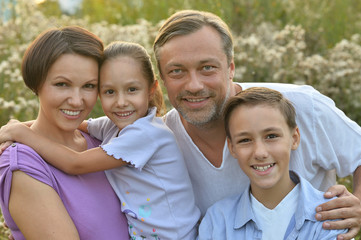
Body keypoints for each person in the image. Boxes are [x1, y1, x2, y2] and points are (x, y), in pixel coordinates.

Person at [153, 9, 361, 239]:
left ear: (231, 68)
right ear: (162, 79)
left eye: (207, 67)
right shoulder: (158, 141)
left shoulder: (299, 107)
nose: (193, 85)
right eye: (176, 71)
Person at [0, 41, 200, 240]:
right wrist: (19, 128)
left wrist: (22, 133)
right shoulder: (116, 126)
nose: (121, 102)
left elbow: (75, 162)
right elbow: (79, 122)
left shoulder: (144, 134)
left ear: (151, 89)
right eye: (109, 91)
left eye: (132, 89)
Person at [0, 26, 129, 239]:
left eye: (88, 86)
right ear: (36, 84)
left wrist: (21, 130)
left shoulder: (101, 139)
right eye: (62, 84)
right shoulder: (22, 164)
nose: (77, 100)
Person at [198, 87, 348, 239]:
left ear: (294, 138)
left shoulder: (331, 213)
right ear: (232, 148)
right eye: (245, 140)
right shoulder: (217, 221)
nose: (260, 153)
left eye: (271, 136)